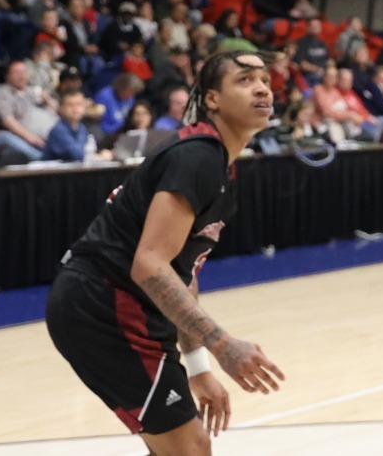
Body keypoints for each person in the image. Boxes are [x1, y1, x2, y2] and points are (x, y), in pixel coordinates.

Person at [46, 50, 283, 449]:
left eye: (265, 80)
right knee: (191, 447)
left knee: (179, 447)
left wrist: (197, 366)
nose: (262, 88)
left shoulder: (217, 165)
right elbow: (150, 266)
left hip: (123, 307)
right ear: (212, 99)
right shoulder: (197, 158)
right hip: (104, 305)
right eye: (244, 80)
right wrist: (223, 345)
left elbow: (181, 275)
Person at [45, 89, 97, 163]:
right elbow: (76, 155)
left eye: (79, 104)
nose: (75, 108)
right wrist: (97, 156)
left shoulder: (82, 128)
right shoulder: (58, 130)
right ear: (61, 108)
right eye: (70, 105)